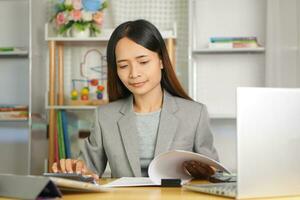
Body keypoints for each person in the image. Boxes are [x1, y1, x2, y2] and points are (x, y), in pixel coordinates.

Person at [52, 19, 218, 180]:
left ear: (161, 60)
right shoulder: (104, 116)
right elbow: (88, 170)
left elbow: (215, 173)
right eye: (123, 66)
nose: (134, 73)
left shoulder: (195, 114)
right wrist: (74, 169)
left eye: (143, 62)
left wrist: (207, 173)